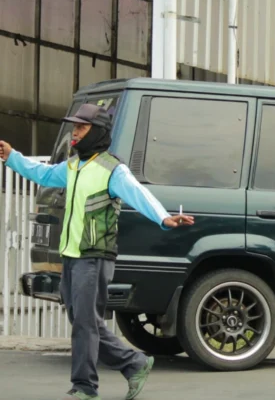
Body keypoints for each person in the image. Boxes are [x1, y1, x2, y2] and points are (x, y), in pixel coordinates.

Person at [0, 104, 194, 400]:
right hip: (72, 255)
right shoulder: (73, 166)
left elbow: (138, 194)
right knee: (83, 320)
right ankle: (134, 363)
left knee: (85, 323)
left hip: (95, 256)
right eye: (74, 127)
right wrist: (12, 157)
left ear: (98, 132)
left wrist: (164, 218)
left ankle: (85, 387)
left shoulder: (112, 169)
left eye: (81, 128)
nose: (74, 133)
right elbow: (43, 174)